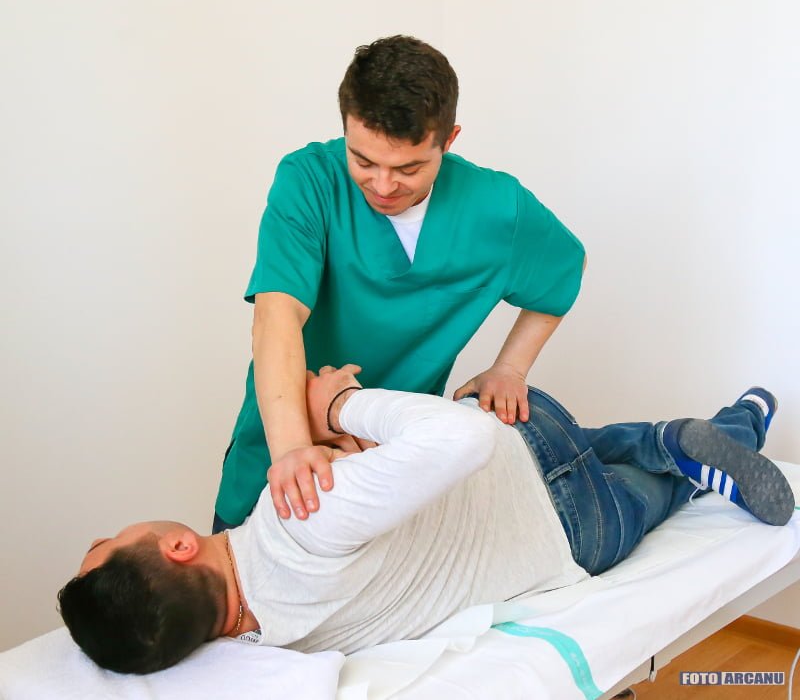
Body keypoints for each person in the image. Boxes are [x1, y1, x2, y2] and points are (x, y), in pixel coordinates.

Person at [59, 366, 793, 674]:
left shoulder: (277, 644)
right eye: (106, 544)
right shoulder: (293, 523)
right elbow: (461, 440)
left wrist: (353, 460)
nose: (108, 534)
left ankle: (714, 433)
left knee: (657, 479)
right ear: (179, 546)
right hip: (527, 446)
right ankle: (708, 431)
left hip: (576, 527)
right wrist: (338, 405)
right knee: (649, 461)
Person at [216, 34, 587, 531]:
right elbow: (276, 314)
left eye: (408, 168)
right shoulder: (309, 180)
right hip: (280, 444)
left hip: (389, 463)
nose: (383, 185)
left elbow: (564, 267)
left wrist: (510, 368)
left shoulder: (497, 207)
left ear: (448, 141)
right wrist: (292, 452)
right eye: (363, 161)